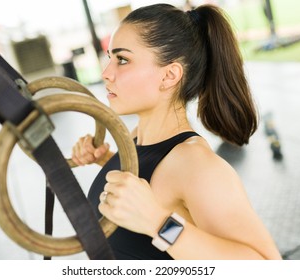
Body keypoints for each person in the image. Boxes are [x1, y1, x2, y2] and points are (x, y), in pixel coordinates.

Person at [71, 3, 282, 260]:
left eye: (122, 59)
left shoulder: (197, 166)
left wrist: (157, 222)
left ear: (169, 75)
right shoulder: (136, 139)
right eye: (110, 59)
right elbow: (155, 185)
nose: (106, 74)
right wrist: (107, 161)